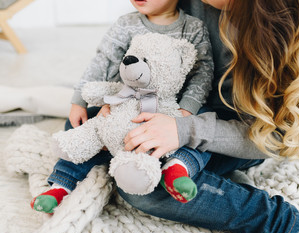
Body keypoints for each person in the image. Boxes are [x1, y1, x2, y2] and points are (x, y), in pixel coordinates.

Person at [117, 0, 299, 233]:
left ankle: (295, 226)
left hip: (240, 136)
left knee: (146, 185)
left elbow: (278, 137)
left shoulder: (283, 25)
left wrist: (186, 130)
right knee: (124, 161)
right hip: (177, 112)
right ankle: (225, 183)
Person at [30, 0, 214, 213]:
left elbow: (203, 72)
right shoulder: (126, 24)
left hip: (170, 109)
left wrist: (185, 111)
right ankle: (61, 185)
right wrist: (79, 100)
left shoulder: (193, 27)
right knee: (77, 127)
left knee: (203, 127)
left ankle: (176, 168)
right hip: (127, 105)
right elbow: (103, 62)